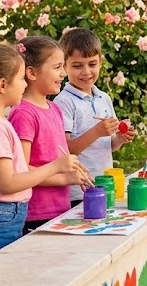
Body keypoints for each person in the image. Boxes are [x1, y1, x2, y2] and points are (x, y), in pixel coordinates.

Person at [0, 43, 82, 262]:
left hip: (0, 217)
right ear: (3, 85)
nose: (25, 85)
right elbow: (8, 183)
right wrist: (56, 166)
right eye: (22, 79)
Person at [10, 36, 92, 234]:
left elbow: (58, 155)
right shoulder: (23, 113)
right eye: (57, 67)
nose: (64, 73)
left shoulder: (54, 109)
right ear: (31, 73)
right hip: (36, 213)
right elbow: (21, 169)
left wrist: (74, 169)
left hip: (60, 209)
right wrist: (65, 178)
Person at [54, 27, 136, 207]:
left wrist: (120, 138)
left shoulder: (103, 98)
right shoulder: (64, 102)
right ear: (64, 65)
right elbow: (65, 150)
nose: (86, 72)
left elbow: (110, 146)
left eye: (92, 64)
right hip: (79, 190)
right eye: (77, 66)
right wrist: (97, 132)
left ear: (101, 62)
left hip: (106, 184)